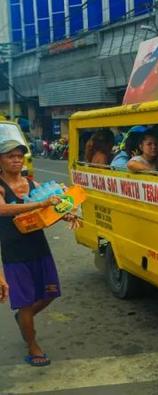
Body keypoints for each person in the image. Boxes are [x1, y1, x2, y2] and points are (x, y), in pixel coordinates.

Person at [0, 140, 71, 366]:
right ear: (0, 161)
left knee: (49, 293)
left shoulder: (31, 183)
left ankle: (23, 317)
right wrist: (38, 205)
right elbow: (2, 209)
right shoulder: (1, 186)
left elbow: (49, 207)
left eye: (19, 156)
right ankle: (33, 347)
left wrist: (66, 214)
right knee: (26, 303)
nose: (17, 160)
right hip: (14, 253)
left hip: (39, 247)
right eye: (10, 156)